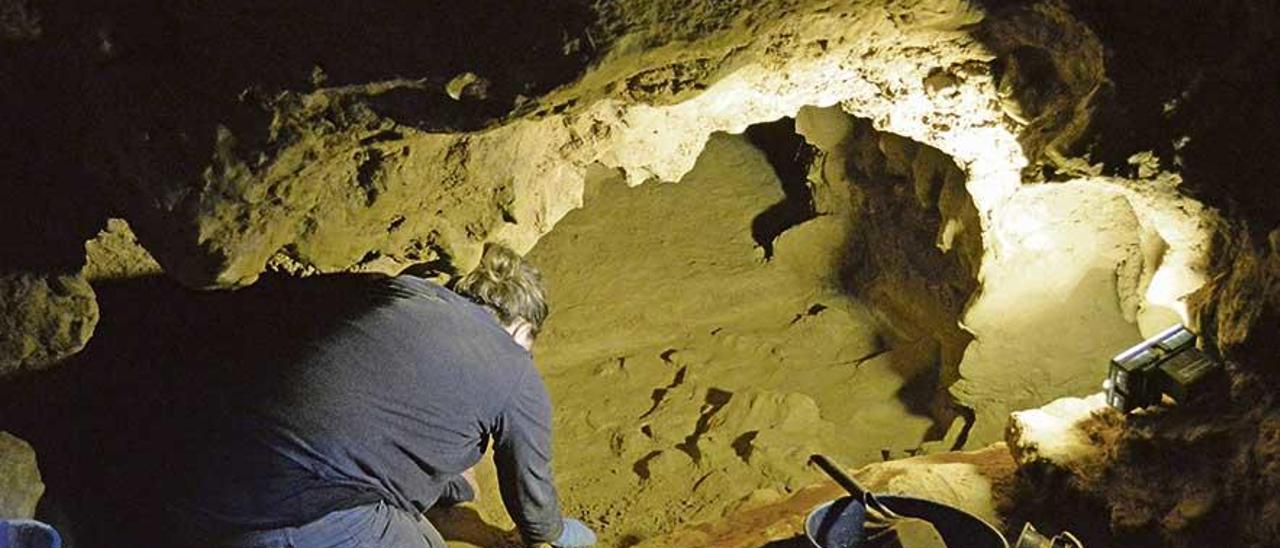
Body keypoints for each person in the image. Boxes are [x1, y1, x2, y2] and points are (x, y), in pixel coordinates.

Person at [165, 243, 596, 548]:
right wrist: (555, 534)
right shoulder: (514, 368)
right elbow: (533, 504)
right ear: (522, 329)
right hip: (297, 518)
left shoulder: (394, 292)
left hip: (197, 488)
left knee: (442, 504)